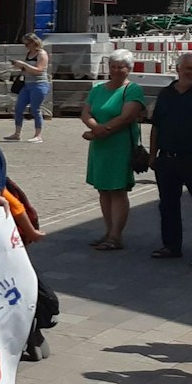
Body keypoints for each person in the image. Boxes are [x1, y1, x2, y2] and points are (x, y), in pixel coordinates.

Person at [81, 50, 147, 251]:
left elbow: (127, 116)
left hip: (120, 145)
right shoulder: (97, 89)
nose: (117, 70)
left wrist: (102, 130)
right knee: (103, 189)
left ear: (129, 69)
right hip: (100, 145)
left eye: (121, 67)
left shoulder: (133, 89)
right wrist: (96, 128)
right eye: (113, 66)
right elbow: (86, 112)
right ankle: (108, 231)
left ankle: (116, 235)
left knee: (117, 189)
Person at [150, 53, 192, 263]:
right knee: (168, 204)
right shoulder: (166, 94)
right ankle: (171, 246)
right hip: (167, 158)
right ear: (178, 69)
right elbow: (156, 125)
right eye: (189, 68)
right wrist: (152, 155)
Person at [7, 33, 50, 143]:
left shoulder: (42, 54)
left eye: (27, 44)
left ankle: (38, 135)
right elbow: (28, 69)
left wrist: (24, 65)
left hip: (39, 85)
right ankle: (17, 133)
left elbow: (39, 70)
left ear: (33, 42)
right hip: (27, 84)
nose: (25, 46)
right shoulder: (29, 53)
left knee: (35, 109)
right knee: (18, 108)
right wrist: (19, 66)